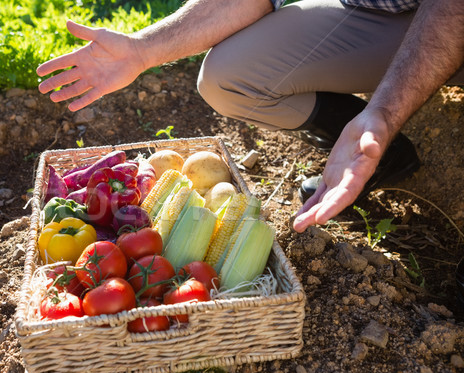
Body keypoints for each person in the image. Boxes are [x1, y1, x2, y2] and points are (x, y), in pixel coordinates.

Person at [36, 0, 464, 234]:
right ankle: (379, 152)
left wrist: (385, 110)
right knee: (227, 76)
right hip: (383, 10)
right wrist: (142, 49)